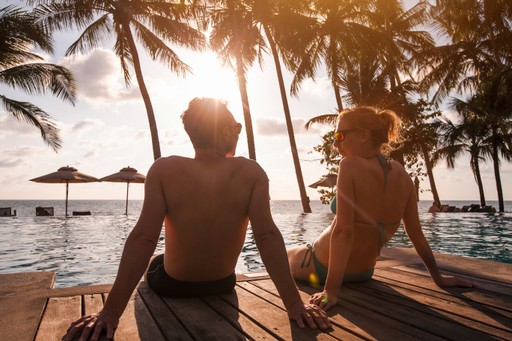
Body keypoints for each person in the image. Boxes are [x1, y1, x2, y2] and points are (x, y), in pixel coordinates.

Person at [63, 98, 331, 341]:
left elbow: (144, 237)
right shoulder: (252, 172)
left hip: (172, 285)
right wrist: (294, 305)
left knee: (157, 258)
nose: (238, 133)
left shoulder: (164, 169)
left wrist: (110, 312)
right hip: (223, 283)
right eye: (237, 127)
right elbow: (267, 236)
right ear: (225, 131)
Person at [287, 107, 473, 311]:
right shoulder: (402, 174)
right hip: (365, 272)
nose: (335, 143)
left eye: (340, 135)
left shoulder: (349, 165)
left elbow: (344, 232)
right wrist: (438, 278)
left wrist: (330, 292)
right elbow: (416, 233)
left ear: (364, 135)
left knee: (281, 252)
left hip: (320, 265)